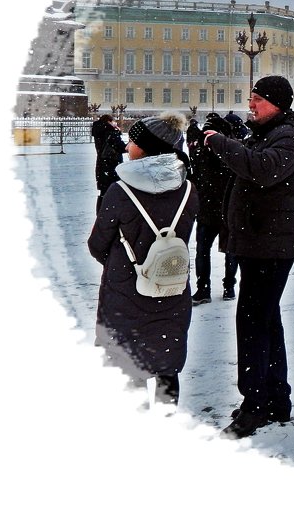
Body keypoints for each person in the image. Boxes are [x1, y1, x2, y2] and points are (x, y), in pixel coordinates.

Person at [203, 75, 294, 437]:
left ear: (277, 103)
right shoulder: (268, 130)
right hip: (258, 241)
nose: (250, 104)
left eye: (257, 99)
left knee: (253, 323)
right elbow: (249, 163)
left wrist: (221, 144)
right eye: (250, 98)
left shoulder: (290, 136)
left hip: (270, 245)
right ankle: (275, 399)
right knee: (266, 321)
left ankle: (255, 405)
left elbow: (264, 169)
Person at [88, 112, 199, 408]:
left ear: (148, 147)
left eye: (133, 141)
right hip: (172, 287)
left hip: (126, 294)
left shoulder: (120, 190)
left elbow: (98, 244)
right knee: (167, 366)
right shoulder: (187, 188)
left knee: (130, 370)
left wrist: (124, 265)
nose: (127, 147)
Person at [186, 112, 237, 305]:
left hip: (208, 209)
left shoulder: (202, 153)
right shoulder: (232, 150)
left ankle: (204, 289)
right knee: (229, 250)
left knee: (203, 250)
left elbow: (194, 179)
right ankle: (229, 287)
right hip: (227, 209)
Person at [91, 113, 127, 213]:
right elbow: (120, 147)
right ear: (108, 122)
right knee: (113, 191)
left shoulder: (99, 131)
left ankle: (100, 214)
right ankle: (109, 214)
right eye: (113, 121)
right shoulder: (110, 132)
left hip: (102, 166)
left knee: (103, 192)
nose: (115, 123)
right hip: (112, 165)